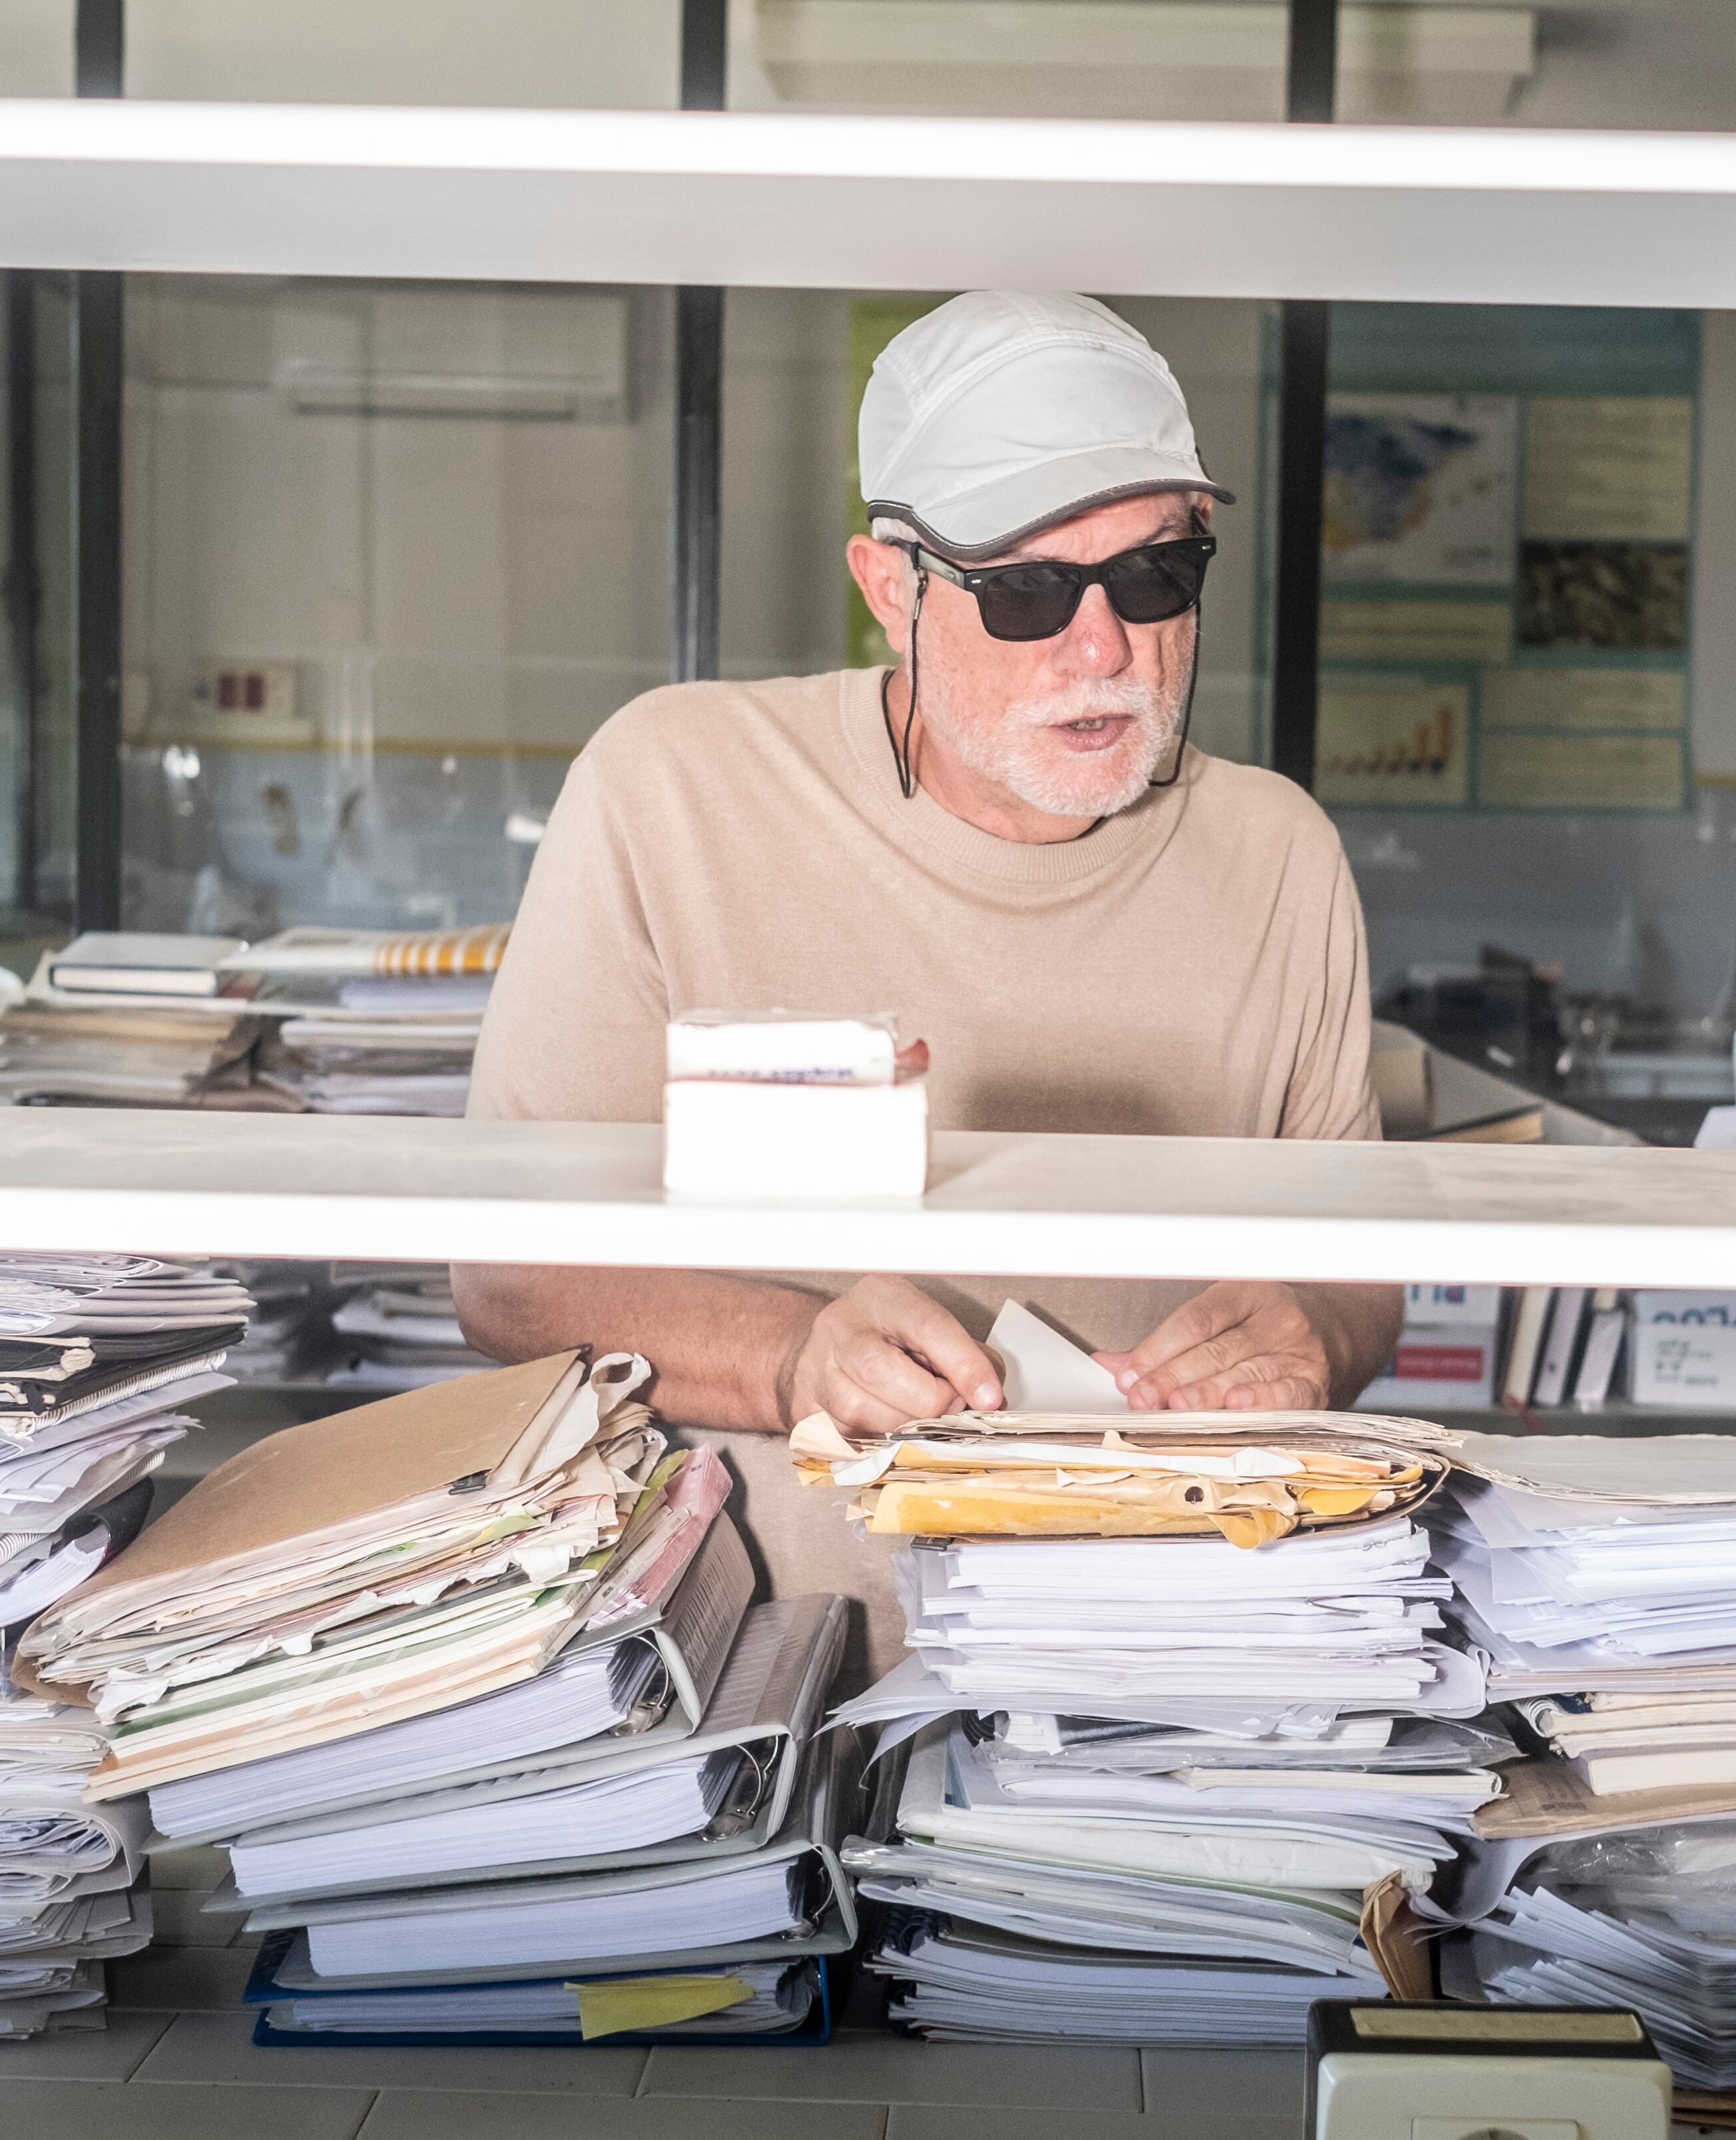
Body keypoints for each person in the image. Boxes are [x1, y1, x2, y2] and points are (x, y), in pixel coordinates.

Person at [454, 290, 1399, 1675]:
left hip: (1161, 1672)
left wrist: (1310, 1330)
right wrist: (791, 1363)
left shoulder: (1277, 857)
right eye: (1023, 591)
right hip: (761, 1675)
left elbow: (1360, 1273)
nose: (1104, 650)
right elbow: (511, 1277)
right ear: (889, 587)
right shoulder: (672, 791)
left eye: (1152, 578)